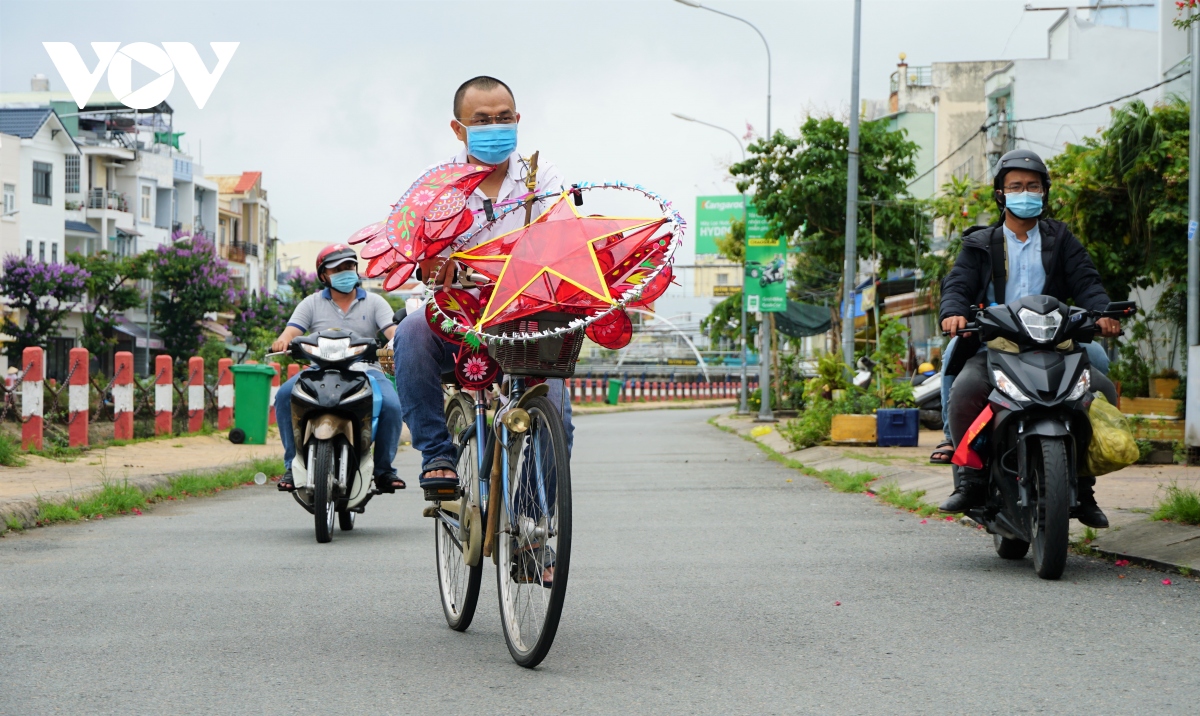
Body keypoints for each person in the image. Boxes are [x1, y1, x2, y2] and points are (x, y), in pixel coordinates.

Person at [392, 75, 573, 499]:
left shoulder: (541, 175)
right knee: (412, 332)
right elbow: (418, 255)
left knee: (558, 414)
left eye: (504, 118)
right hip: (457, 315)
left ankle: (534, 521)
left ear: (518, 120)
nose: (495, 126)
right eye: (483, 119)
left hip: (526, 315)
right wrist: (437, 268)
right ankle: (436, 454)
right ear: (458, 128)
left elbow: (564, 234)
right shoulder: (435, 184)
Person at [937, 148, 1121, 527]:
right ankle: (969, 476)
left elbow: (1087, 282)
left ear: (1045, 192)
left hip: (1056, 338)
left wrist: (1102, 314)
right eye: (1016, 186)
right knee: (962, 383)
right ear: (1001, 194)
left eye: (1033, 186)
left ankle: (1084, 487)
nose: (1026, 192)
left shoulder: (1061, 239)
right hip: (997, 341)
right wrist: (953, 312)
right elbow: (958, 284)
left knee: (1100, 376)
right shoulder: (979, 243)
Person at [271, 244, 405, 493]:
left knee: (392, 405)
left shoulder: (375, 302)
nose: (346, 272)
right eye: (337, 268)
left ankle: (384, 469)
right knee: (283, 396)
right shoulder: (310, 303)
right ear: (324, 275)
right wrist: (283, 340)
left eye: (349, 266)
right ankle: (292, 465)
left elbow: (391, 330)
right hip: (318, 370)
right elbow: (292, 331)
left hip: (366, 370)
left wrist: (398, 339)